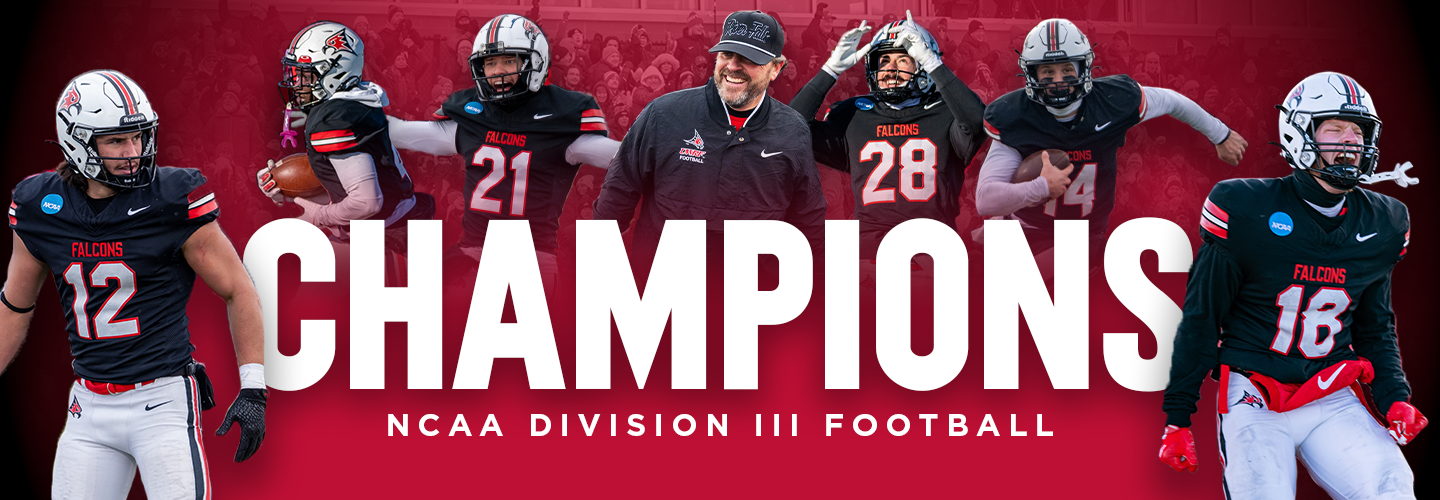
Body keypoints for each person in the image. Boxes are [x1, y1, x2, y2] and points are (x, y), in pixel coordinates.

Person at [1160, 72, 1426, 499]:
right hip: (1256, 393)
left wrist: (1395, 395)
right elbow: (1202, 317)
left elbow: (1375, 326)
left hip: (1331, 391)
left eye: (1358, 130)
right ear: (1299, 132)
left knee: (1392, 486)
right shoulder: (1245, 209)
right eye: (1335, 127)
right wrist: (1178, 416)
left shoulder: (1384, 222)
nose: (1350, 141)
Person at [2, 70, 267, 499]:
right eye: (116, 141)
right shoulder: (39, 205)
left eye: (140, 137)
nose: (134, 151)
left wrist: (253, 386)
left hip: (162, 401)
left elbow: (238, 288)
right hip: (87, 406)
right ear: (77, 142)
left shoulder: (170, 199)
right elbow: (15, 304)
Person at [975, 18, 1247, 276]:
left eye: (1067, 70)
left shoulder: (1113, 100)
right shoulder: (1014, 116)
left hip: (1084, 236)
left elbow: (1172, 101)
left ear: (1084, 68)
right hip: (1026, 226)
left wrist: (1220, 134)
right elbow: (985, 199)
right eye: (1048, 72)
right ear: (1032, 74)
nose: (1058, 80)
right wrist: (1041, 188)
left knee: (1025, 289)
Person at [385, 14, 619, 289]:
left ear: (535, 62)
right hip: (474, 253)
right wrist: (345, 114)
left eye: (508, 61)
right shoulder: (471, 119)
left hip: (532, 259)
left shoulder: (561, 120)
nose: (497, 71)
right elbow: (401, 133)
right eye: (490, 62)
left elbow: (625, 157)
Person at [593, 10, 826, 262]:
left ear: (776, 68)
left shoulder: (793, 131)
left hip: (754, 293)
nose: (733, 66)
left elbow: (809, 224)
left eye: (749, 58)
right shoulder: (663, 115)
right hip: (665, 290)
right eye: (727, 54)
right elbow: (617, 195)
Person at [790, 13, 985, 284]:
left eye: (903, 59)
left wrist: (932, 62)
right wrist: (830, 70)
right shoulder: (855, 114)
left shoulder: (947, 112)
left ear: (924, 65)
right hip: (867, 254)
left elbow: (976, 121)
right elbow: (789, 129)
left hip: (932, 250)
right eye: (884, 60)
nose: (890, 69)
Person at [258, 22, 434, 253]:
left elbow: (366, 202)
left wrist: (318, 216)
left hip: (383, 238)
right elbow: (348, 176)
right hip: (394, 223)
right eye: (294, 73)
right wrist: (286, 183)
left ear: (335, 72)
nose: (296, 82)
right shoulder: (356, 99)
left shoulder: (333, 118)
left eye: (305, 74)